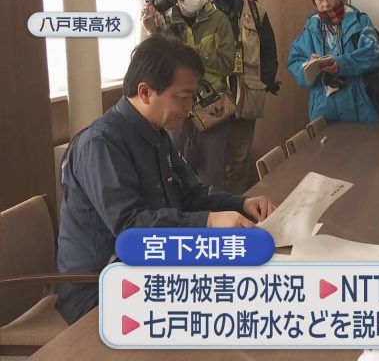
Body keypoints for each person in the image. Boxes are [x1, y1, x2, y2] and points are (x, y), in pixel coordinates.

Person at [56, 35, 274, 324]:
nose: (190, 107)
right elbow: (131, 228)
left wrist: (241, 203)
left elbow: (191, 194)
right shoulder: (100, 144)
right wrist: (210, 222)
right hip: (100, 288)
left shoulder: (156, 133)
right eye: (183, 98)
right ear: (145, 92)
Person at [142, 0, 236, 190]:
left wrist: (192, 53)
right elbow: (158, 68)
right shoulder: (164, 22)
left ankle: (215, 214)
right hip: (176, 107)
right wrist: (155, 34)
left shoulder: (219, 20)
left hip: (213, 108)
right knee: (174, 174)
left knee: (213, 176)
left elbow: (227, 64)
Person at [205, 0, 280, 193]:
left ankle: (237, 207)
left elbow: (269, 50)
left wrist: (263, 83)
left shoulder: (255, 10)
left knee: (238, 163)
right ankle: (213, 211)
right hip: (210, 99)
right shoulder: (198, 11)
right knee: (210, 164)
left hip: (245, 97)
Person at [287, 0, 379, 124]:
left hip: (358, 102)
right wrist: (308, 66)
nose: (324, 4)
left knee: (364, 141)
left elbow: (373, 54)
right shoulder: (310, 27)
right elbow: (294, 62)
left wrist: (340, 64)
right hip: (323, 105)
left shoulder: (360, 21)